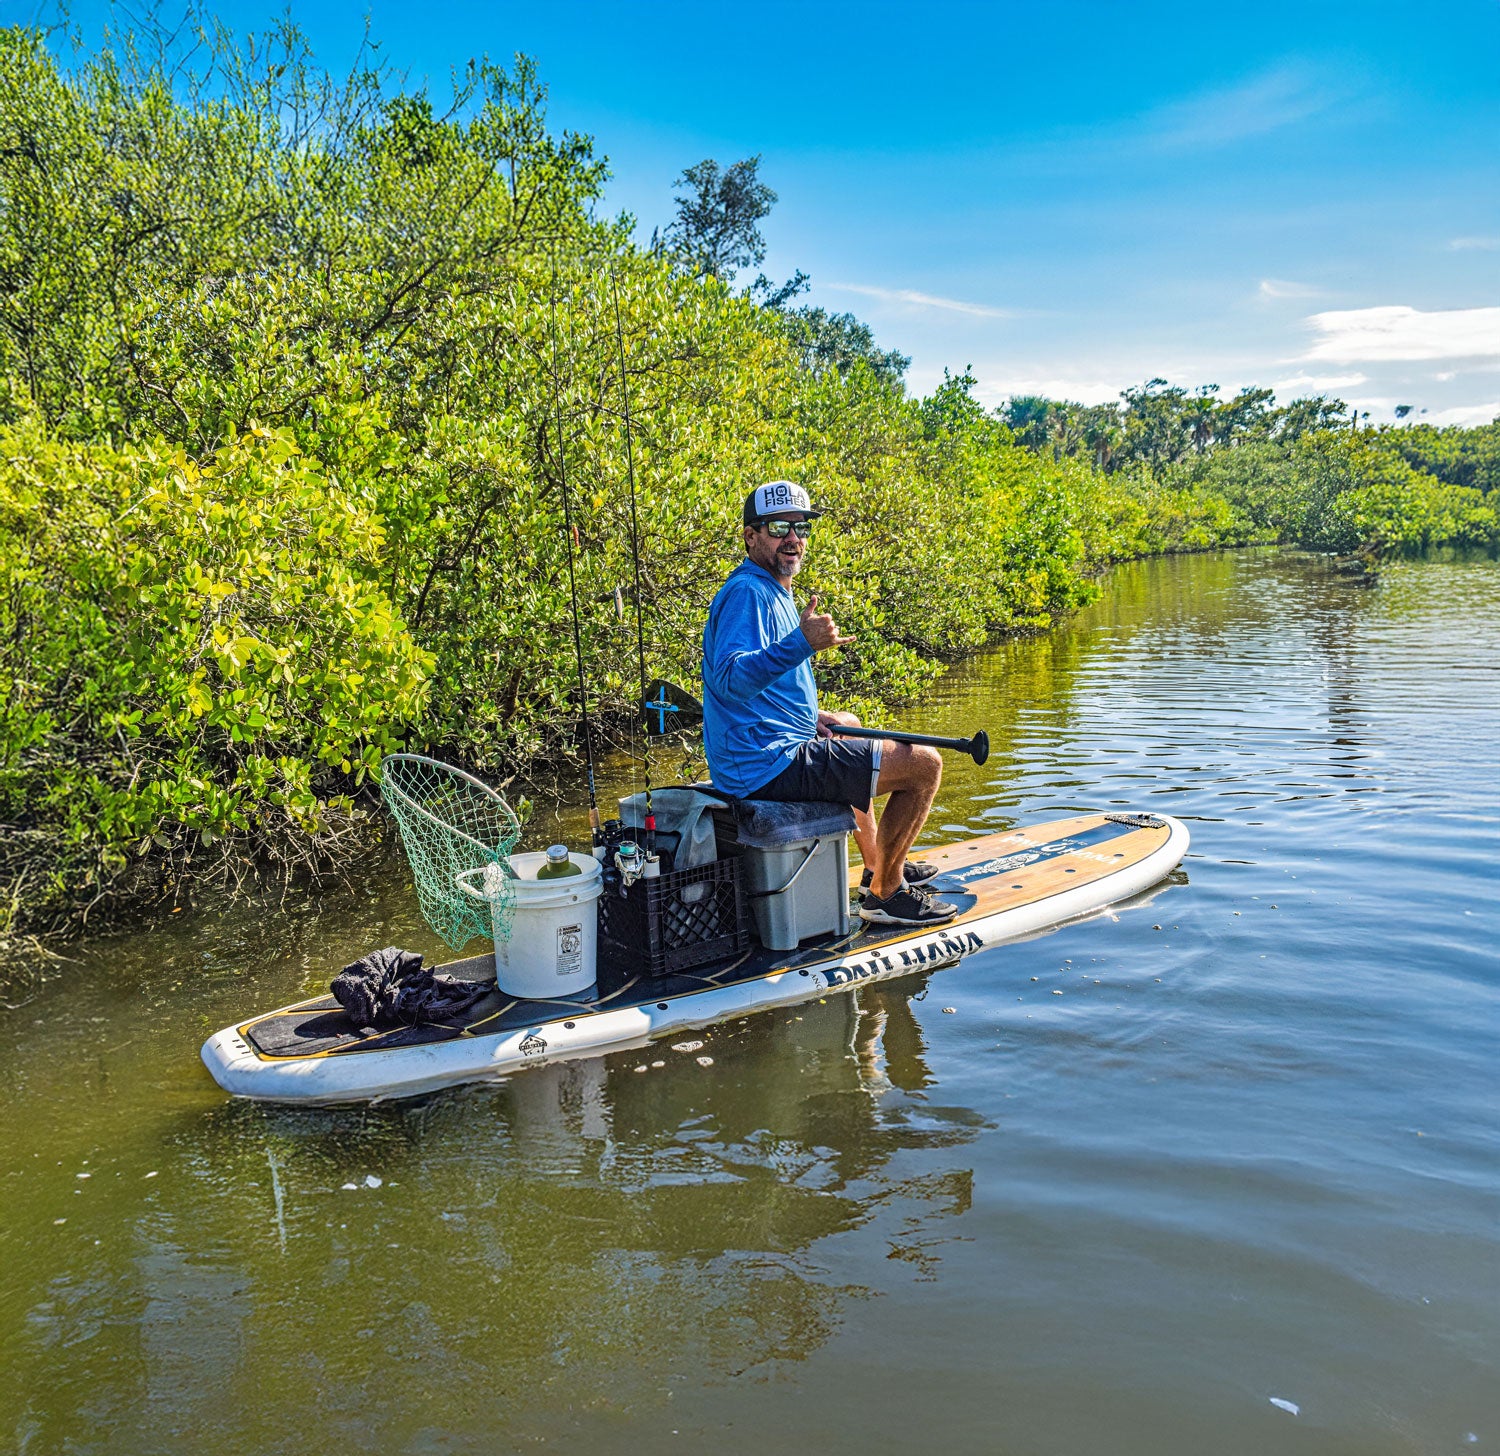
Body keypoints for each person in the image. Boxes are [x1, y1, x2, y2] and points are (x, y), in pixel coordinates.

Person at [700, 480, 956, 927]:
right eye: (779, 528)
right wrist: (802, 642)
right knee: (924, 766)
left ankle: (877, 863)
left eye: (800, 528)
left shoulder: (770, 588)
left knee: (849, 724)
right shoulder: (749, 594)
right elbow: (729, 681)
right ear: (751, 536)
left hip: (764, 750)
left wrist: (810, 716)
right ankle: (886, 895)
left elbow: (760, 684)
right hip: (765, 765)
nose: (793, 539)